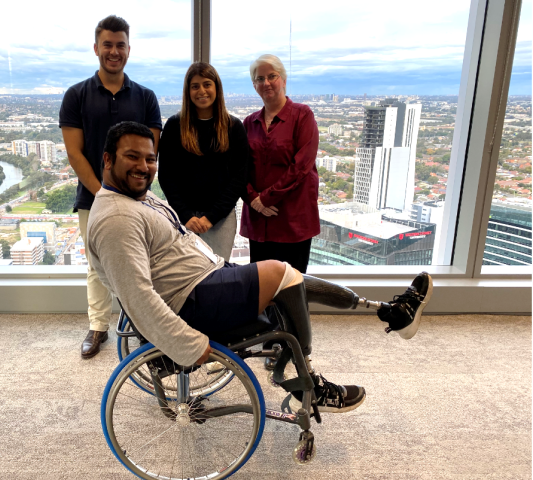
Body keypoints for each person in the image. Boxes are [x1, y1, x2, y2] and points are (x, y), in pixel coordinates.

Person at [87, 122, 433, 413]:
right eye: (132, 157)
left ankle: (389, 311)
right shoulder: (117, 219)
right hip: (189, 300)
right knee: (281, 273)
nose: (144, 166)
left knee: (289, 281)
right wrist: (186, 344)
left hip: (202, 280)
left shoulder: (134, 199)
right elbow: (137, 297)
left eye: (149, 159)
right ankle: (308, 387)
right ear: (107, 159)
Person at [59, 15, 162, 359]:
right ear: (96, 48)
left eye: (120, 45)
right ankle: (98, 325)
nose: (114, 51)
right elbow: (75, 153)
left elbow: (151, 153)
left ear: (128, 50)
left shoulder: (146, 97)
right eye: (108, 44)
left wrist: (131, 192)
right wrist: (104, 192)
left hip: (139, 199)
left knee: (141, 264)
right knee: (95, 263)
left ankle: (145, 322)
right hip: (93, 197)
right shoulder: (75, 96)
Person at [158, 63, 250, 261]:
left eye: (207, 84)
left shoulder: (233, 127)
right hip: (181, 219)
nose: (201, 91)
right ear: (187, 91)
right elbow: (166, 175)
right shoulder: (175, 126)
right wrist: (185, 215)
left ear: (217, 87)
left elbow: (239, 177)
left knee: (216, 277)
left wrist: (212, 217)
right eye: (195, 86)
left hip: (221, 220)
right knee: (183, 279)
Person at [241, 54, 319, 274]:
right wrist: (252, 199)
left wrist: (264, 198)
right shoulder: (249, 123)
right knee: (261, 286)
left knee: (292, 287)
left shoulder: (303, 115)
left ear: (283, 80)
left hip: (293, 217)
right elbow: (239, 168)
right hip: (259, 218)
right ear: (254, 85)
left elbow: (301, 166)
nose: (266, 83)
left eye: (272, 76)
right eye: (259, 79)